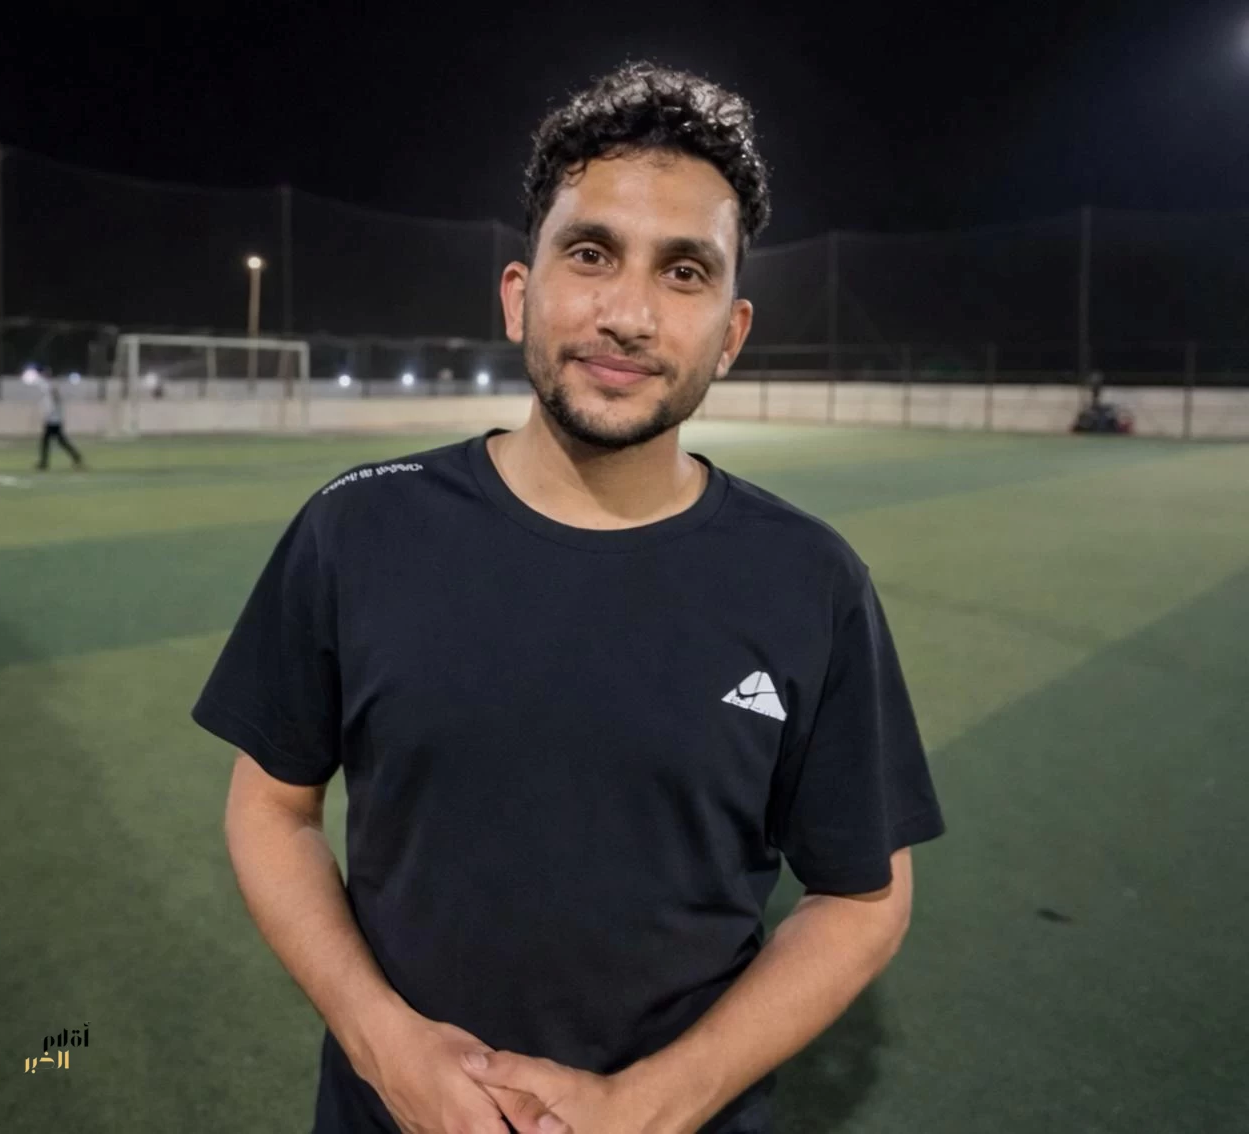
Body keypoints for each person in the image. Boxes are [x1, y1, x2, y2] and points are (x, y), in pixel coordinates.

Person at [192, 60, 945, 1134]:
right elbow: (271, 809)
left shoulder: (811, 580)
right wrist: (382, 1044)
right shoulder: (356, 528)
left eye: (683, 272)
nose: (628, 313)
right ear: (520, 294)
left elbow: (863, 899)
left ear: (730, 334)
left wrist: (647, 1105)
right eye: (590, 254)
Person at [35, 368, 85, 471]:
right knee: (59, 442)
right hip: (53, 421)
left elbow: (54, 403)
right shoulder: (49, 391)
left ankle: (44, 463)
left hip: (54, 421)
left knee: (49, 442)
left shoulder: (53, 392)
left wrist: (48, 414)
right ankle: (76, 457)